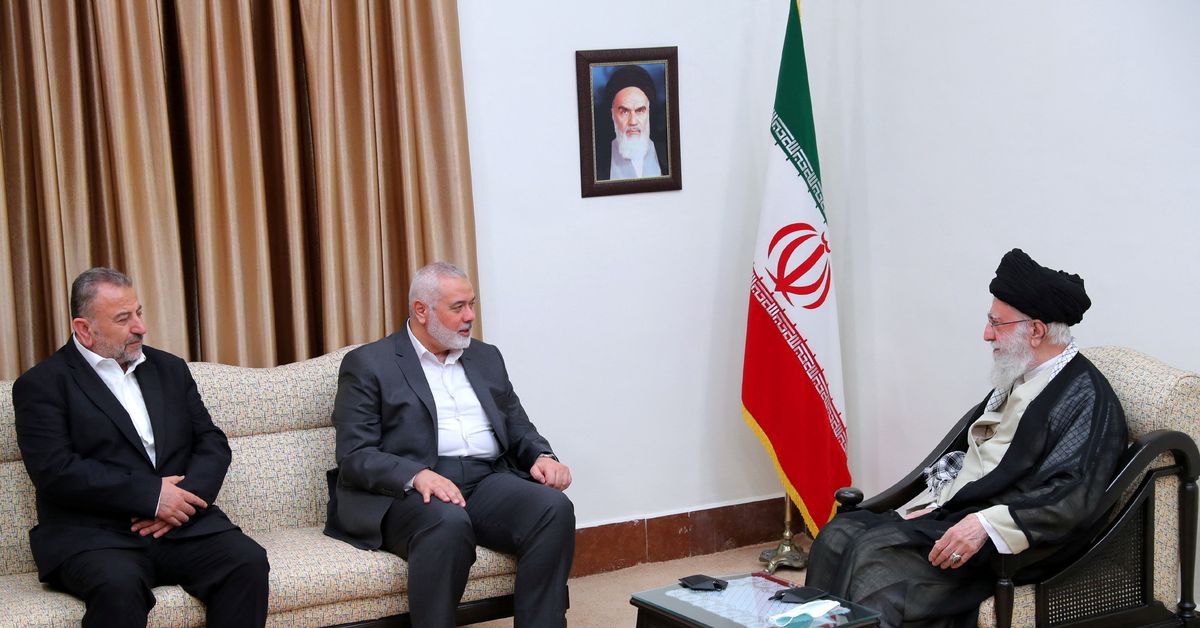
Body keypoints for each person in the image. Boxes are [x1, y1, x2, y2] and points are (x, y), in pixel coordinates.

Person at [804, 249, 1128, 628]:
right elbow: (976, 458)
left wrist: (984, 524)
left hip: (1015, 543)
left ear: (1036, 331)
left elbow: (1072, 498)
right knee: (838, 534)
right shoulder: (1022, 374)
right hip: (961, 514)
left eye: (997, 323)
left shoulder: (1087, 397)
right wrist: (937, 501)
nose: (987, 334)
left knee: (875, 555)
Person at [13, 267, 269, 627]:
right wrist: (151, 496)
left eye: (139, 312)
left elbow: (211, 441)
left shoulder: (169, 369)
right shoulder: (42, 385)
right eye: (123, 319)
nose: (140, 327)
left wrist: (181, 500)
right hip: (95, 536)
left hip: (180, 526)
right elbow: (55, 471)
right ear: (84, 329)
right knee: (118, 588)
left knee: (247, 561)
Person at [324, 262, 575, 628]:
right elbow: (354, 455)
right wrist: (417, 475)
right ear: (421, 310)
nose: (470, 316)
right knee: (447, 522)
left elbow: (517, 423)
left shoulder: (486, 357)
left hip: (484, 478)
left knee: (552, 508)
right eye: (458, 307)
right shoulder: (369, 364)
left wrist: (542, 455)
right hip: (407, 491)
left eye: (472, 304)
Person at [596, 64, 668, 180]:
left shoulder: (668, 155)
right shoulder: (597, 162)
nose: (633, 121)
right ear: (612, 114)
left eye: (640, 111)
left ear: (649, 112)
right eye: (624, 112)